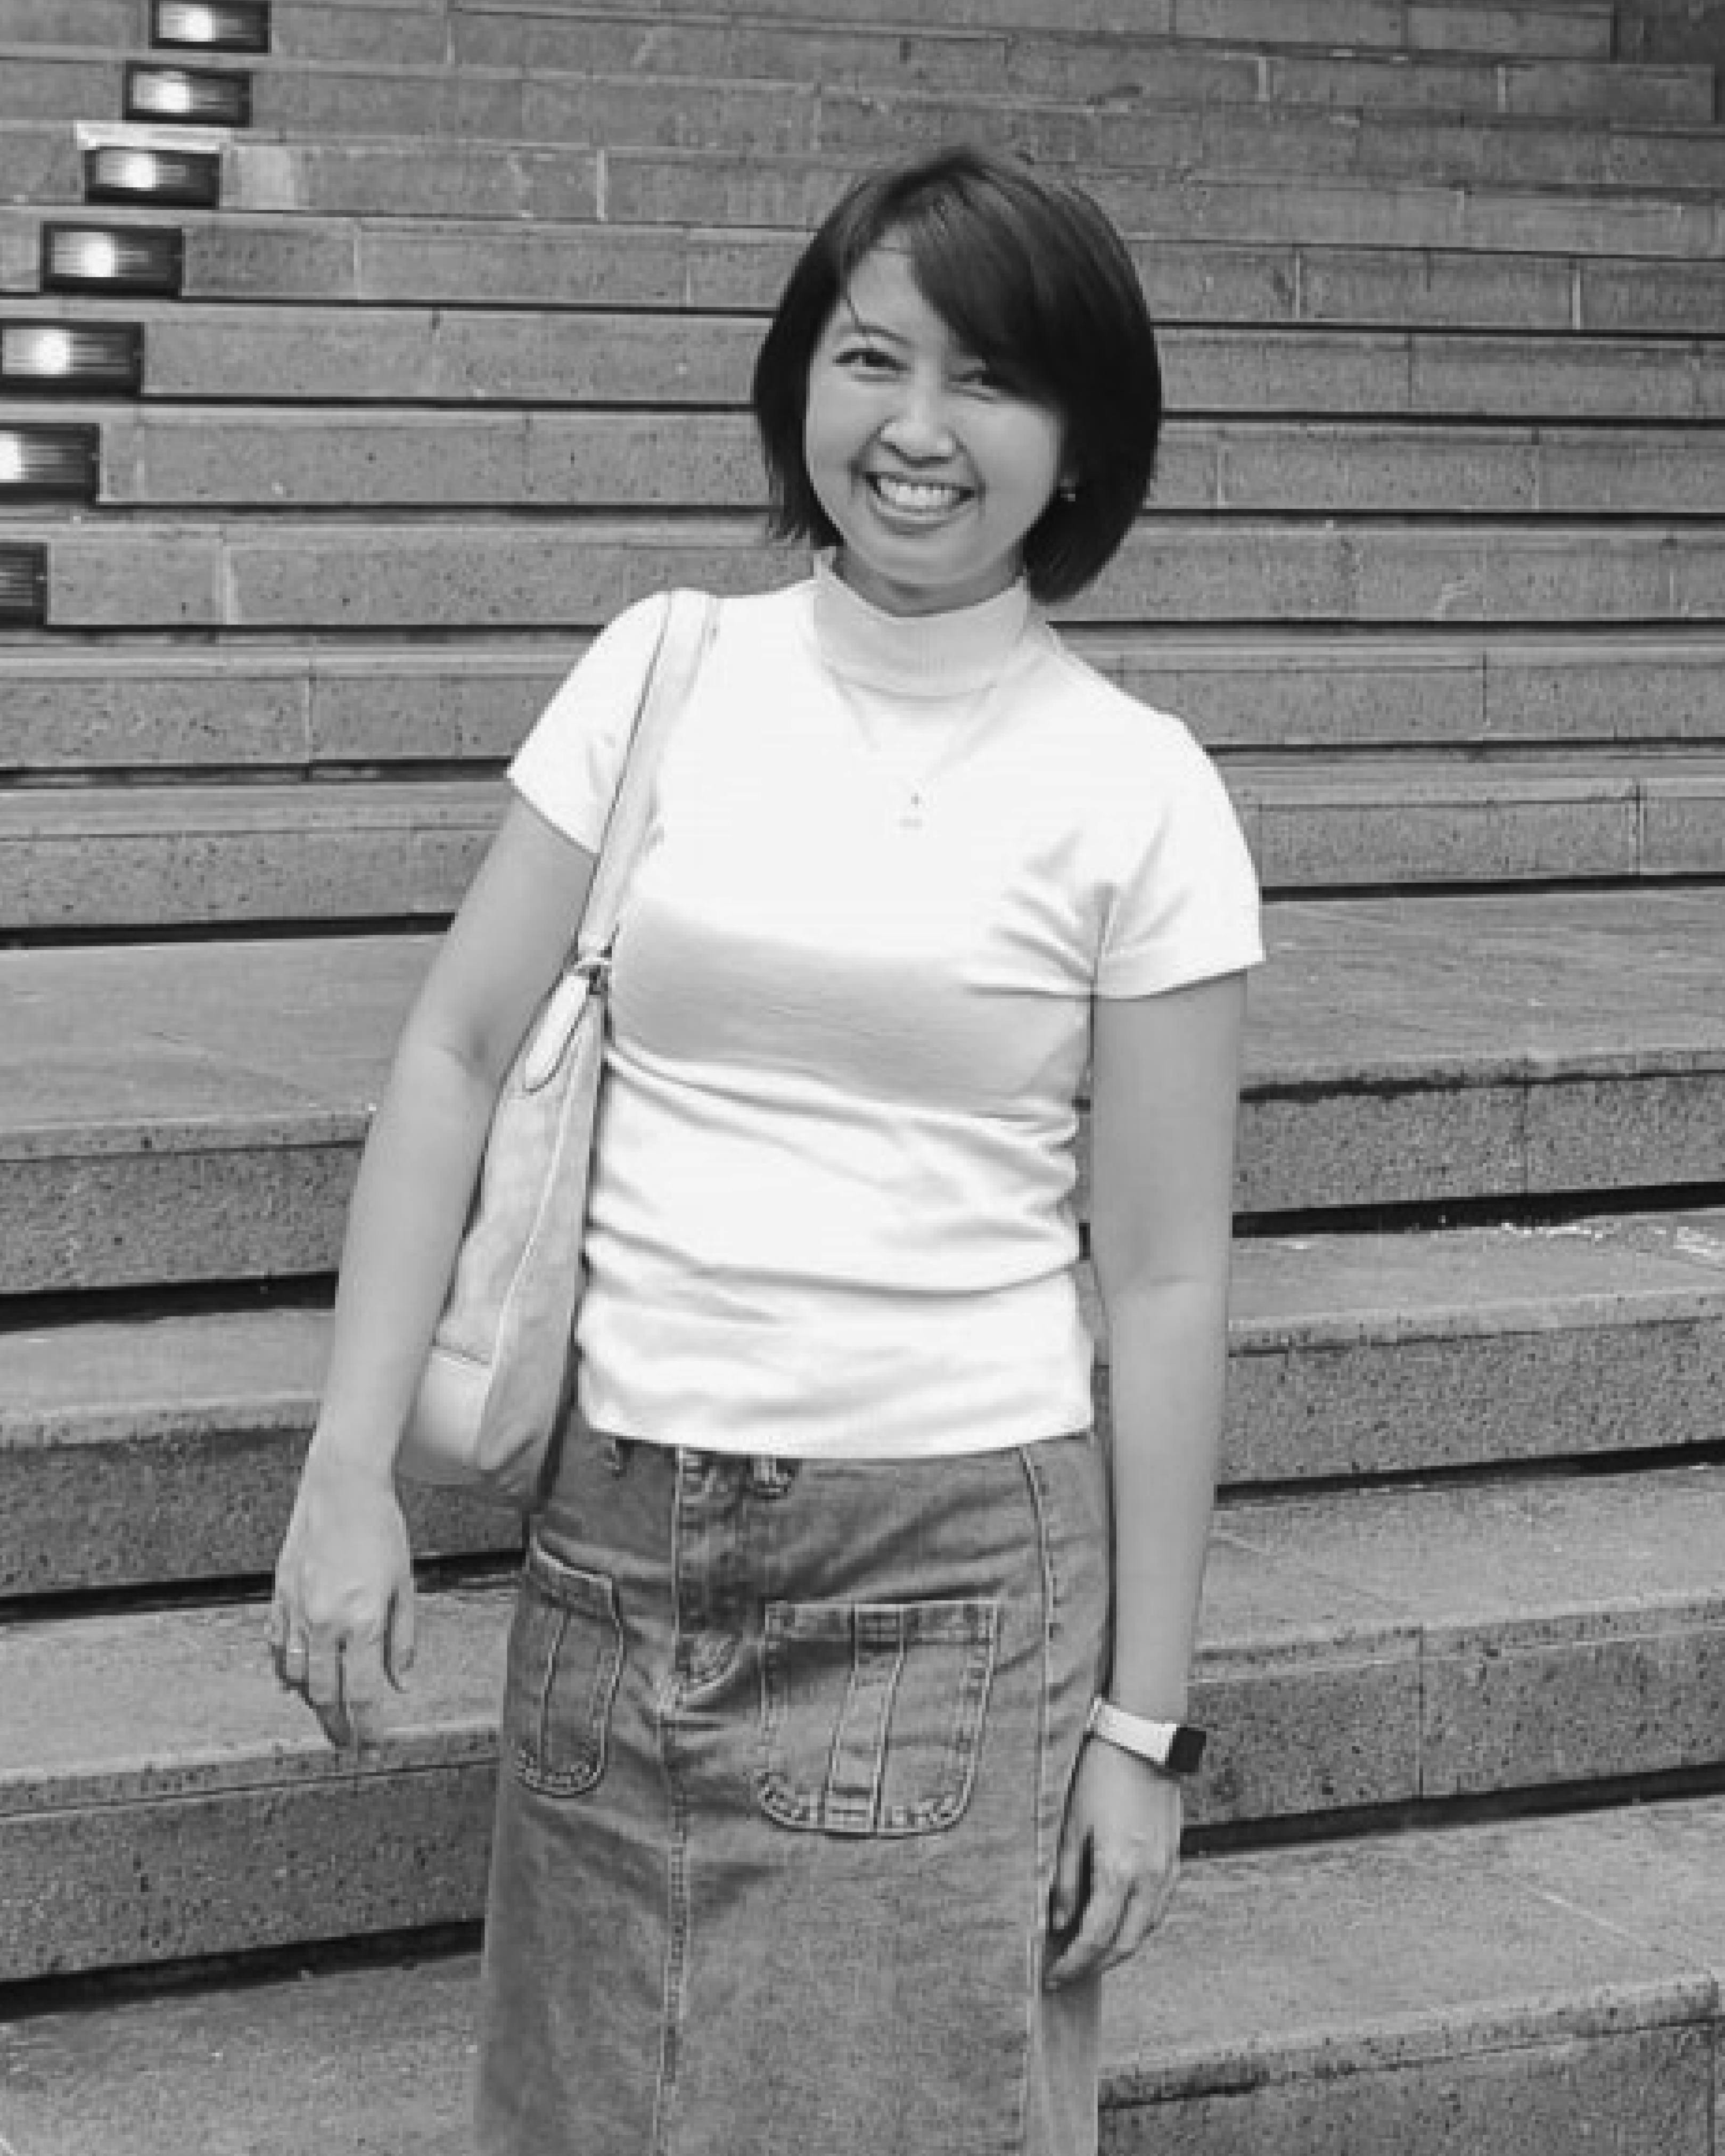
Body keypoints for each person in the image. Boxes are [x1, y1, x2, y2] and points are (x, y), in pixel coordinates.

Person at [268, 144, 1262, 2156]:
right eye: (871, 358)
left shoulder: (1139, 791)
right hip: (615, 1541)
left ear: (1080, 440)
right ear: (800, 376)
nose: (916, 429)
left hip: (950, 1569)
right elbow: (455, 1054)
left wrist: (1140, 1729)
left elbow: (1162, 1284)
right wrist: (346, 1468)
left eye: (988, 379)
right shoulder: (668, 671)